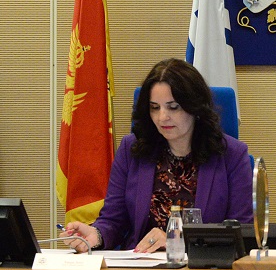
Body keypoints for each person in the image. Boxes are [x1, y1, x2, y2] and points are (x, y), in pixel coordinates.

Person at [61, 58, 253, 252]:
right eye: (155, 107)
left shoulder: (232, 155)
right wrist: (97, 235)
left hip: (202, 267)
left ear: (195, 107)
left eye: (173, 107)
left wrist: (177, 240)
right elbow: (114, 219)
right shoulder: (132, 150)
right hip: (140, 265)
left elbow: (240, 232)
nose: (162, 117)